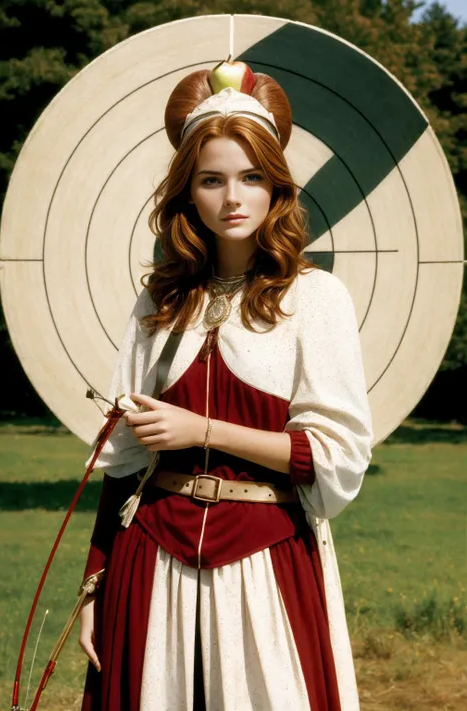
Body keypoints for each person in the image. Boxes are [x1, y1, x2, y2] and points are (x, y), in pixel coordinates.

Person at [78, 66, 373, 711]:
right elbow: (122, 464)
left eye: (251, 177)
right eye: (211, 180)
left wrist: (203, 431)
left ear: (277, 188)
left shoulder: (315, 298)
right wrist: (93, 584)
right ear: (189, 193)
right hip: (149, 560)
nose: (232, 197)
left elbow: (332, 458)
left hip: (265, 563)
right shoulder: (160, 300)